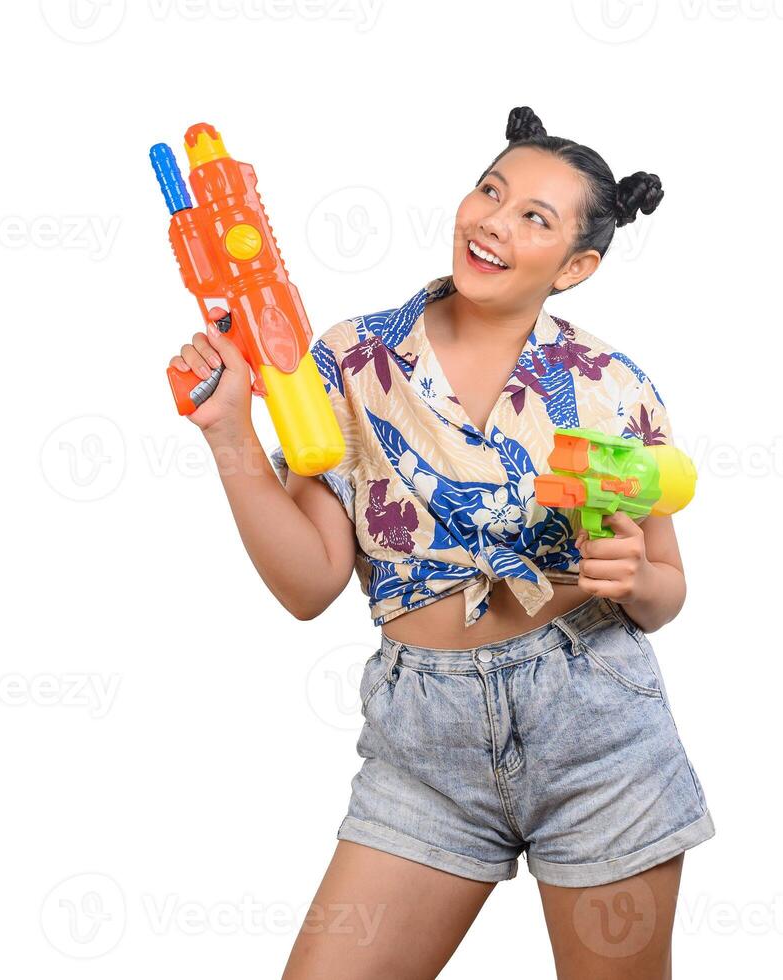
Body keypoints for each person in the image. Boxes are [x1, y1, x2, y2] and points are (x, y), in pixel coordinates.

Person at [169, 106, 714, 979]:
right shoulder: (352, 360)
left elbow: (667, 592)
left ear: (575, 266)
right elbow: (309, 584)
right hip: (423, 745)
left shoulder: (614, 386)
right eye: (489, 191)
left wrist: (636, 576)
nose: (493, 221)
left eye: (534, 217)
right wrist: (230, 434)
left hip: (596, 729)